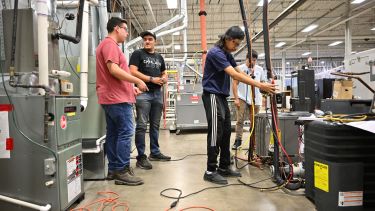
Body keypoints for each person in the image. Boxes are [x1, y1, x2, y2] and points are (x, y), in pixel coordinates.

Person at [202, 26, 276, 185]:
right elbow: (234, 75)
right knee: (216, 132)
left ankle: (224, 166)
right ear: (228, 39)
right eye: (235, 44)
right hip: (212, 95)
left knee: (227, 131)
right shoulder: (215, 53)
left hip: (221, 96)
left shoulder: (227, 54)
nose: (236, 47)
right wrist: (259, 85)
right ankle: (210, 170)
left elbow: (240, 71)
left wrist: (258, 83)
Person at [96, 17, 148, 186]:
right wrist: (136, 81)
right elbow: (113, 70)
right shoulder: (110, 45)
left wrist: (129, 88)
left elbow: (113, 75)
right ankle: (122, 170)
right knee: (126, 132)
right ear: (117, 28)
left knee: (113, 133)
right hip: (116, 99)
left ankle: (113, 169)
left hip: (111, 97)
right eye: (125, 29)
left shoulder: (105, 45)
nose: (127, 33)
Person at [129, 30, 171, 171]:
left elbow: (164, 72)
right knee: (141, 125)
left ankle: (155, 152)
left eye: (150, 39)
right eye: (145, 39)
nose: (147, 41)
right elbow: (132, 71)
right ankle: (141, 157)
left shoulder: (159, 57)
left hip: (157, 94)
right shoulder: (138, 54)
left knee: (155, 125)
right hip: (143, 94)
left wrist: (164, 78)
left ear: (155, 41)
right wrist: (151, 79)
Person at [232, 50, 266, 150]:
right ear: (246, 59)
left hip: (256, 99)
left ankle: (253, 143)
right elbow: (235, 84)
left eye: (255, 60)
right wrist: (236, 98)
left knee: (254, 121)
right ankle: (238, 141)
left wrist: (264, 94)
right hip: (242, 97)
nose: (253, 63)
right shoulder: (240, 69)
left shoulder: (260, 69)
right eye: (251, 60)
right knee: (240, 120)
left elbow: (262, 83)